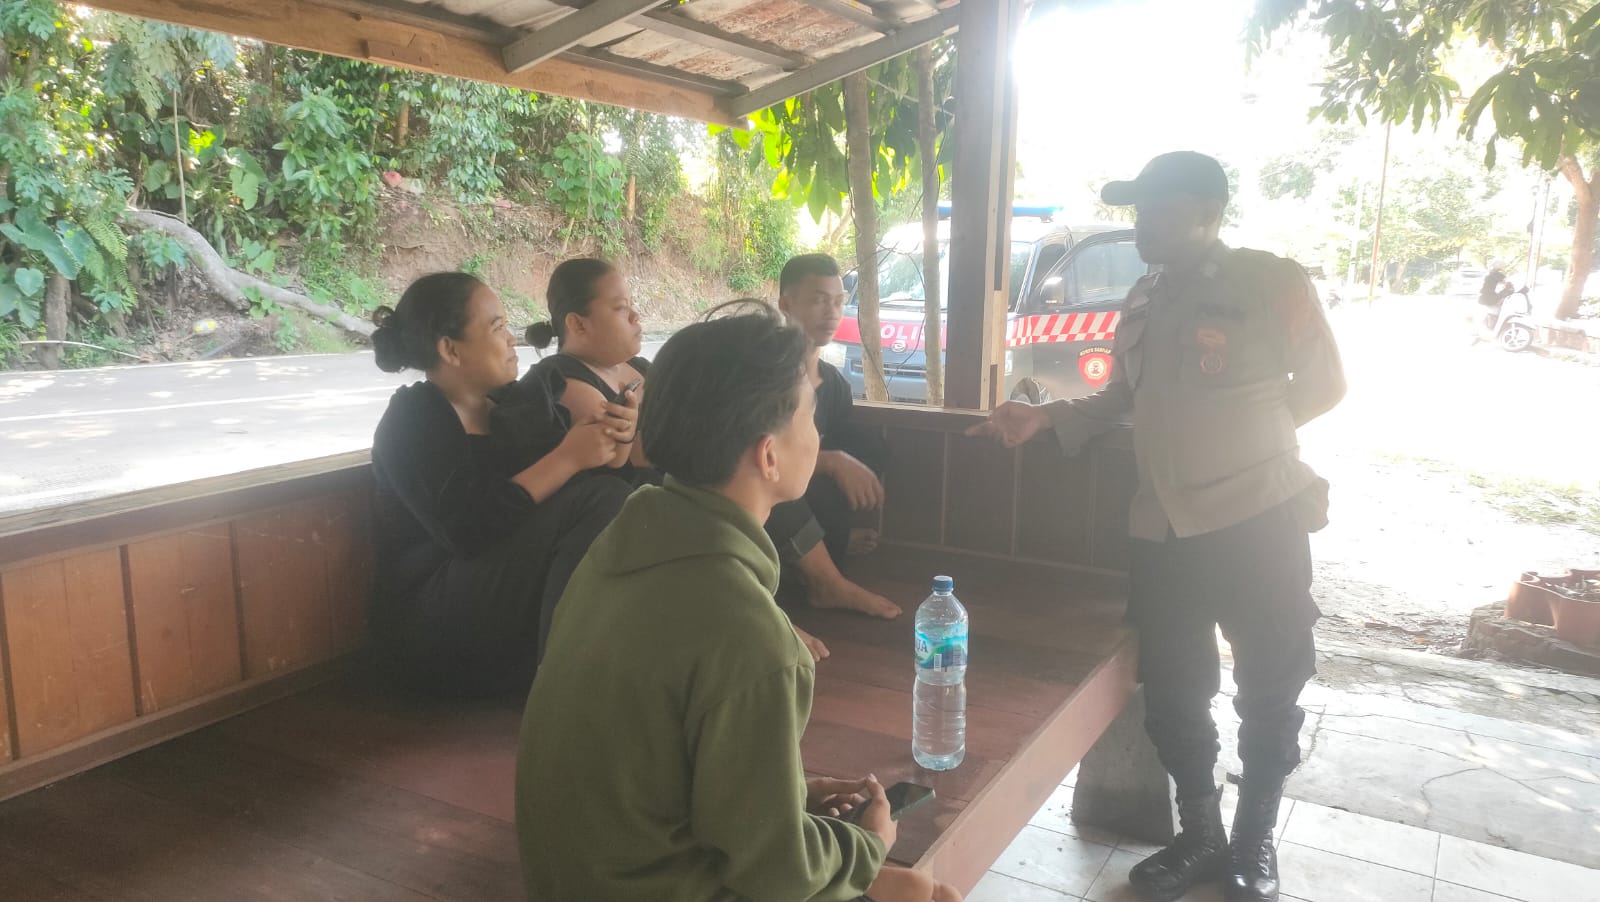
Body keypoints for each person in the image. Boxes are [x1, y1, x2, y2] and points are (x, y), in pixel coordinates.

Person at [967, 152, 1346, 902]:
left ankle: (1252, 840)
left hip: (1257, 517)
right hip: (1164, 530)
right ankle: (1199, 833)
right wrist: (1046, 416)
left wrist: (1247, 438)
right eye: (1138, 210)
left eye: (1158, 210)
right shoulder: (1142, 296)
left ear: (1208, 214)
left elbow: (1325, 385)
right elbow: (1121, 399)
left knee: (1271, 685)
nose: (1141, 224)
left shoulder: (1272, 281)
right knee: (1174, 690)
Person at [515, 310, 961, 902]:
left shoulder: (619, 546)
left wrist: (789, 795)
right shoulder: (752, 636)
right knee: (926, 893)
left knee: (905, 885)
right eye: (809, 415)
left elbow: (657, 764)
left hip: (571, 878)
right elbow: (777, 875)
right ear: (768, 456)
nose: (817, 434)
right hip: (655, 888)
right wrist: (867, 841)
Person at [368, 272, 634, 695]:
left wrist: (614, 440)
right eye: (497, 327)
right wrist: (567, 458)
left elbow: (581, 505)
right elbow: (466, 531)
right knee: (604, 498)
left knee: (621, 499)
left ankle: (576, 666)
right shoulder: (414, 417)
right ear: (450, 349)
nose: (513, 339)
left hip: (495, 605)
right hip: (430, 619)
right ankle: (563, 687)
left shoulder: (512, 407)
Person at [768, 254, 901, 623]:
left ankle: (826, 541)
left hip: (804, 489)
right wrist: (831, 461)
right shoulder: (761, 372)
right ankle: (825, 581)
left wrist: (842, 460)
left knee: (869, 447)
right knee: (782, 480)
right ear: (785, 305)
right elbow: (752, 456)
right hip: (762, 495)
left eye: (839, 302)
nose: (832, 312)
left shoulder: (834, 383)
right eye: (818, 300)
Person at [524, 258, 655, 484]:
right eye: (620, 307)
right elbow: (642, 456)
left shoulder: (638, 366)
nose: (635, 316)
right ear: (578, 324)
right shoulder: (564, 383)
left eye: (632, 304)